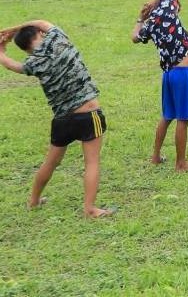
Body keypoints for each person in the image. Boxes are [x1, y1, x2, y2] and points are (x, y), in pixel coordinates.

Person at [0, 20, 113, 218]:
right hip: (88, 113)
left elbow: (12, 65)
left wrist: (1, 50)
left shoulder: (33, 63)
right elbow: (41, 21)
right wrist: (13, 29)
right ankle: (90, 208)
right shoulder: (57, 39)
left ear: (25, 49)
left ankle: (34, 200)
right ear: (40, 34)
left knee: (51, 162)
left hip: (62, 119)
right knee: (92, 162)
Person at [133, 0, 188, 171]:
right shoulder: (167, 9)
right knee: (183, 118)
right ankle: (181, 163)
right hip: (183, 72)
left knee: (167, 115)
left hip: (169, 73)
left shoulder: (151, 22)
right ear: (173, 4)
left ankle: (155, 157)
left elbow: (135, 38)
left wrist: (142, 17)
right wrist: (157, 2)